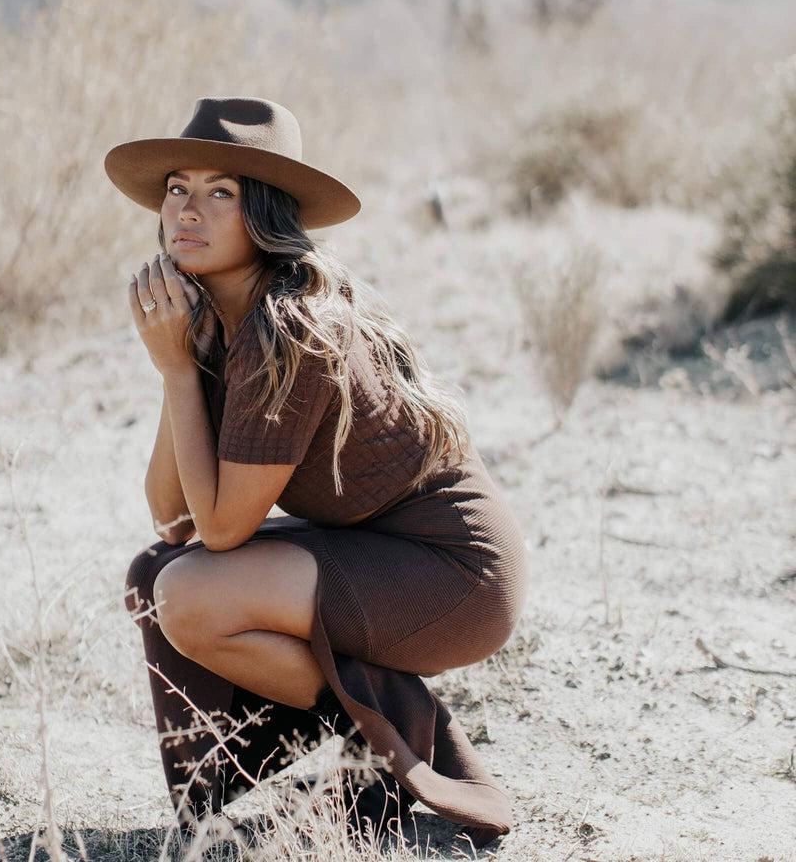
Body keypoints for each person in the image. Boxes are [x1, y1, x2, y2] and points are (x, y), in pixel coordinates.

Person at [105, 96, 530, 848]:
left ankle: (390, 731)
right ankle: (375, 726)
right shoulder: (225, 318)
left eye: (221, 192)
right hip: (378, 552)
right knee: (154, 575)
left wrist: (175, 371)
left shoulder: (291, 327)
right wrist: (184, 361)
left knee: (190, 594)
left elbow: (223, 529)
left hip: (456, 574)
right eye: (177, 187)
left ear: (265, 214)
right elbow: (172, 521)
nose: (187, 211)